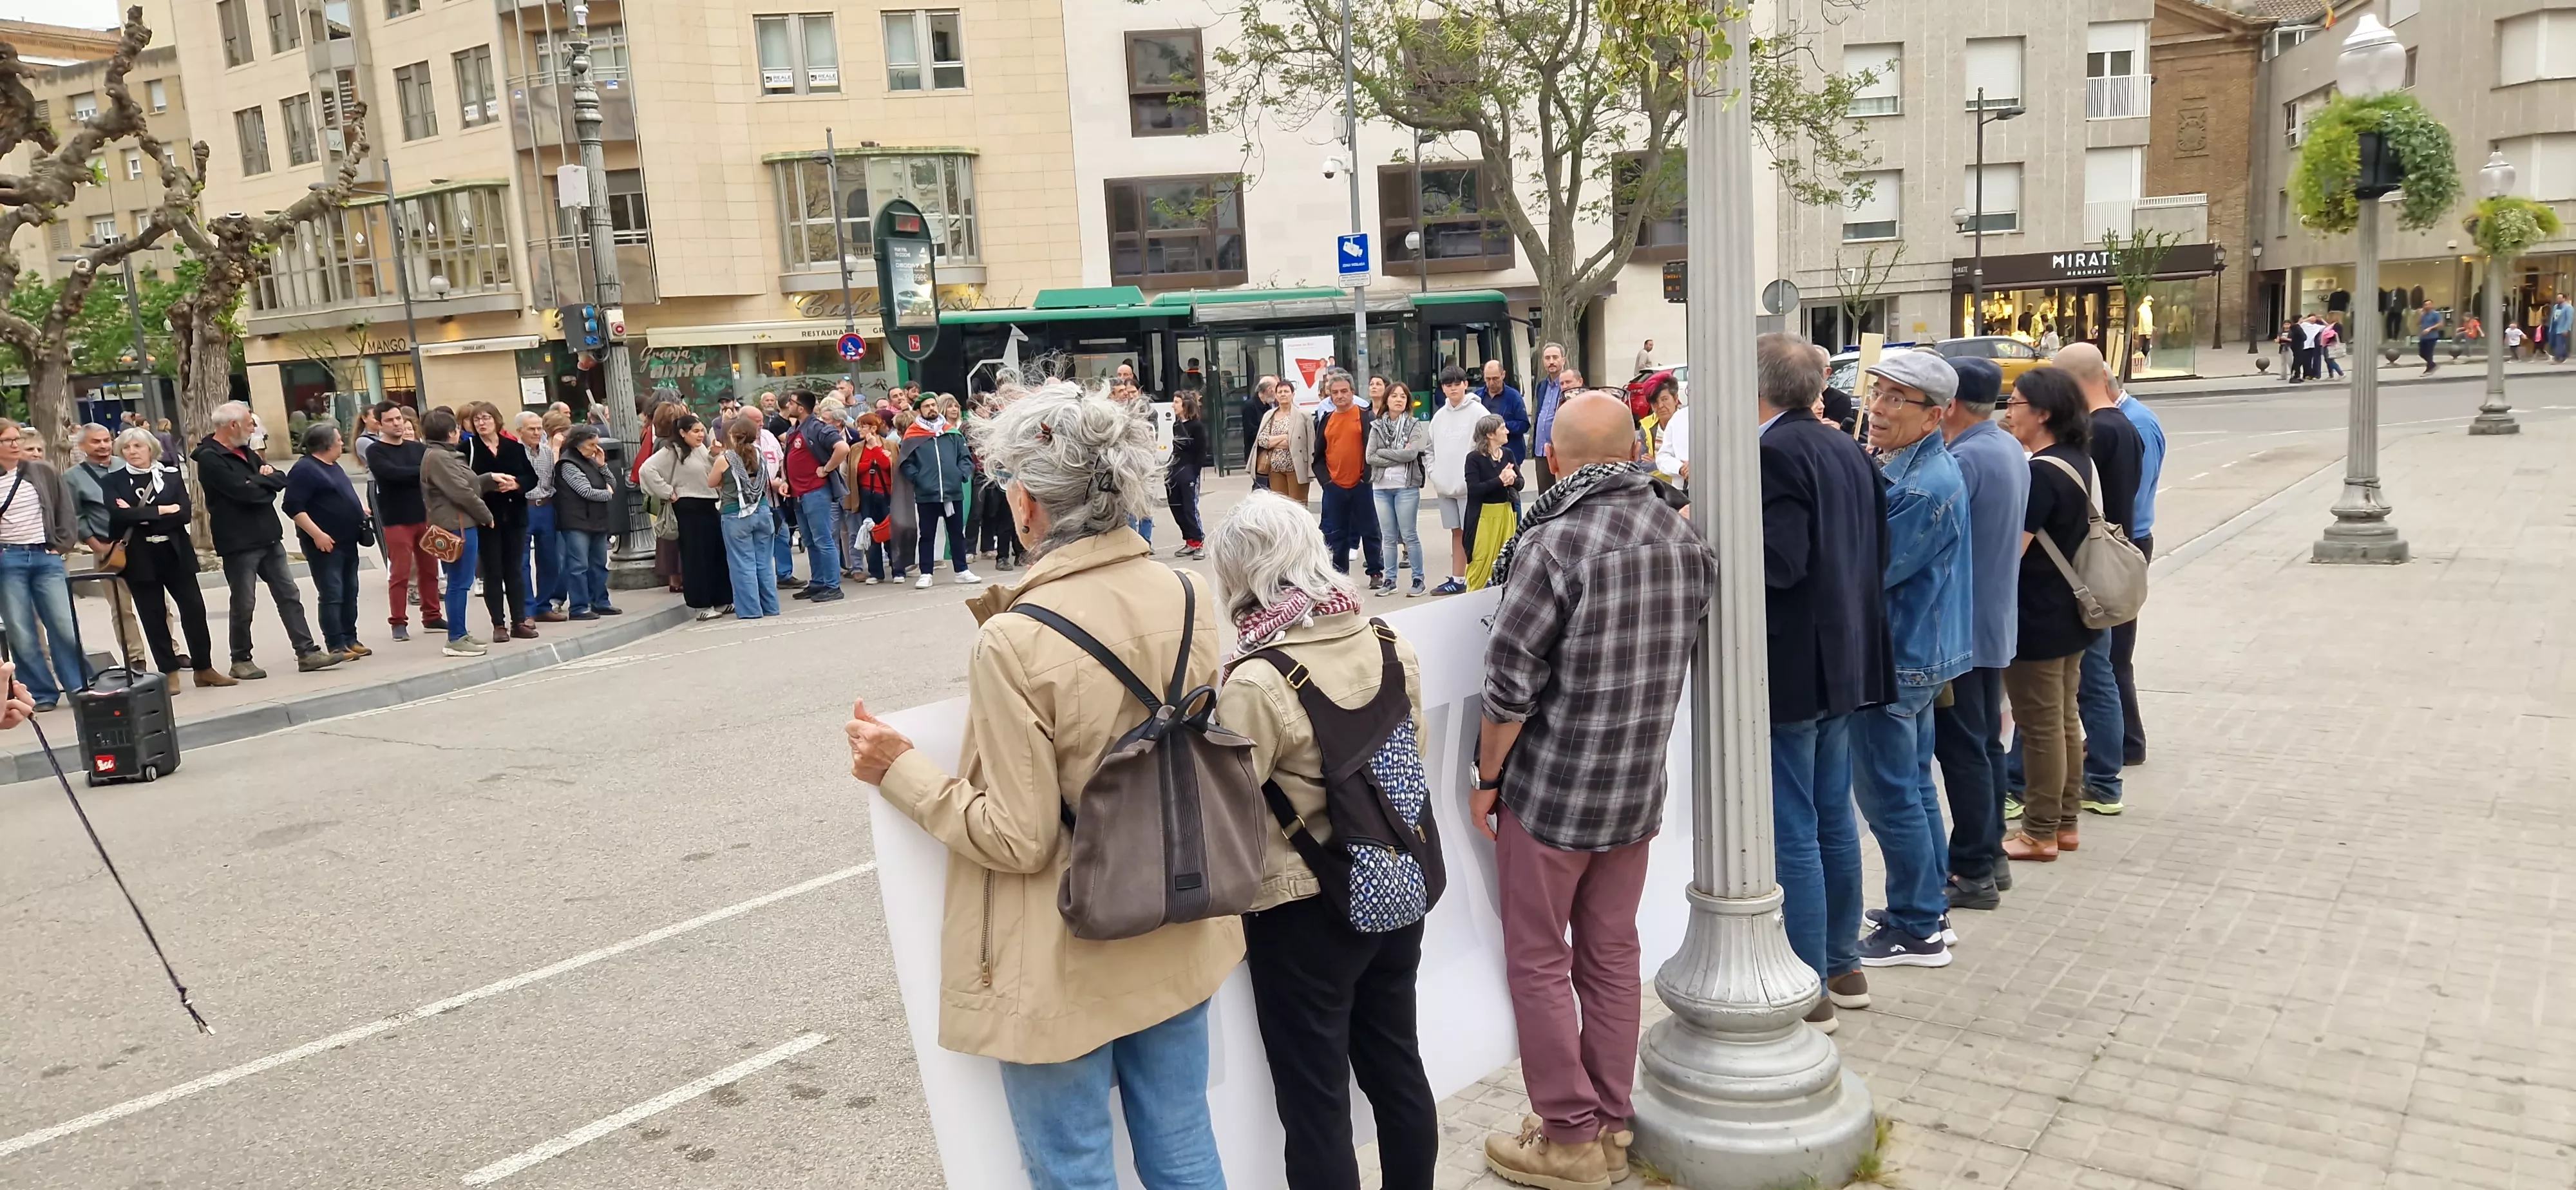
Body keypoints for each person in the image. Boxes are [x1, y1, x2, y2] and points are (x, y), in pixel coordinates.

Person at [842, 380, 1236, 1190]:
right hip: (1178, 908)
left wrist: (900, 772)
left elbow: (1019, 837)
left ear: (1025, 503)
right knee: (1184, 1142)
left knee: (1072, 1168)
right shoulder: (1192, 593)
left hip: (1065, 940)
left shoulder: (1017, 639)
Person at [1472, 391, 1716, 1189]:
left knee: (1539, 959)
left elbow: (1509, 688)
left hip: (1553, 788)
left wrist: (1486, 778)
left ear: (1559, 457)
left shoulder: (1554, 541)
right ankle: (1610, 1121)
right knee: (1612, 956)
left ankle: (1569, 1136)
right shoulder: (1681, 536)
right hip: (1635, 784)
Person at [1208, 491, 1439, 1190]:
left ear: (1242, 576)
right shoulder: (1388, 641)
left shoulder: (1257, 677)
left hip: (1304, 909)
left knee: (1316, 1107)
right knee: (1398, 1067)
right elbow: (1409, 756)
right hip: (1395, 884)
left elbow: (1229, 803)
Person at [1754, 334, 1891, 1033]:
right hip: (1847, 658)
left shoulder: (1773, 452)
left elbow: (1779, 563)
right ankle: (1843, 963)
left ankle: (1806, 977)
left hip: (1795, 665)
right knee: (1833, 815)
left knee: (1795, 823)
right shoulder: (1846, 447)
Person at [1846, 351, 1973, 971]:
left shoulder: (1924, 488)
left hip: (1897, 658)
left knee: (1891, 794)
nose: (1878, 408)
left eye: (1899, 399)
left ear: (1935, 416)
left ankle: (1917, 927)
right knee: (1916, 787)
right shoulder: (1912, 468)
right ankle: (1926, 908)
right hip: (1914, 654)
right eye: (1878, 392)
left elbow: (1870, 571)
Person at [1931, 357, 2023, 911]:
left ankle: (1972, 867)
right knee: (1986, 743)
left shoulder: (1965, 459)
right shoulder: (2005, 446)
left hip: (1964, 626)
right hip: (1992, 621)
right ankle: (1989, 855)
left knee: (1964, 749)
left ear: (1954, 404)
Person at [2000, 367, 2096, 862]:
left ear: (2044, 413)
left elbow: (2012, 551)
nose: (2009, 411)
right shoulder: (2077, 459)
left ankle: (2039, 832)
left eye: (2016, 403)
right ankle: (2066, 821)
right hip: (2071, 610)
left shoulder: (2040, 472)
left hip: (2037, 614)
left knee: (2038, 725)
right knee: (2062, 719)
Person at [2050, 343, 2142, 820]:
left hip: (2086, 565)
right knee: (2098, 673)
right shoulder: (2125, 425)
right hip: (2108, 555)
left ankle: (2102, 776)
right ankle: (2104, 774)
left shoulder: (2097, 432)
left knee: (2087, 677)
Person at [194, 401, 339, 679]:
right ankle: (241, 658)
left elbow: (279, 479)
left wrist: (261, 482)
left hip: (268, 535)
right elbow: (242, 492)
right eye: (250, 423)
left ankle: (307, 651)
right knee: (244, 601)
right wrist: (261, 483)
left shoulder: (246, 452)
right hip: (238, 541)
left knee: (289, 595)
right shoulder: (210, 458)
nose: (254, 428)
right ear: (233, 425)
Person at [102, 428, 226, 688]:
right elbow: (119, 515)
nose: (132, 452)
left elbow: (183, 514)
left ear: (151, 449)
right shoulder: (113, 480)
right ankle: (168, 671)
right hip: (139, 555)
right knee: (153, 614)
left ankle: (204, 668)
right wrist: (162, 510)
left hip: (174, 552)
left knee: (194, 610)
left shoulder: (170, 476)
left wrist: (144, 514)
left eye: (138, 446)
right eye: (126, 447)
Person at [0, 419, 92, 709]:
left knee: (64, 624)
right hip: (8, 559)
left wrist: (61, 545)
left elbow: (65, 509)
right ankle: (40, 692)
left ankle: (79, 685)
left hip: (45, 556)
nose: (16, 445)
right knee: (21, 630)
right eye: (8, 441)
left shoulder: (42, 472)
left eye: (17, 439)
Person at [419, 408, 511, 657]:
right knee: (459, 584)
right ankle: (456, 638)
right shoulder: (439, 457)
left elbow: (465, 484)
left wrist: (489, 478)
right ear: (451, 432)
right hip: (455, 525)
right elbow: (460, 492)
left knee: (462, 582)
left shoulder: (444, 455)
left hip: (461, 523)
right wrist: (486, 515)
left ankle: (460, 633)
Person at [63, 423, 149, 672]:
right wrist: (94, 545)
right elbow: (76, 514)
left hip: (141, 542)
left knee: (159, 602)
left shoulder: (126, 466)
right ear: (82, 446)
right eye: (95, 442)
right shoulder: (73, 477)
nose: (102, 446)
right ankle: (135, 657)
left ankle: (172, 650)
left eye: (105, 440)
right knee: (122, 607)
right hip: (108, 548)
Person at [283, 423, 370, 663]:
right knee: (332, 592)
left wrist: (358, 508)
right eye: (338, 440)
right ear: (326, 444)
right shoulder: (304, 470)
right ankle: (335, 643)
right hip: (325, 543)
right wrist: (317, 534)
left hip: (348, 539)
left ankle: (349, 637)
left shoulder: (334, 466)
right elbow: (293, 507)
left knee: (350, 590)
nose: (342, 443)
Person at [2110, 375, 2163, 768]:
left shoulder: (2133, 423)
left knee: (2113, 655)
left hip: (2126, 541)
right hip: (2129, 539)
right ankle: (2120, 738)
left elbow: (2128, 492)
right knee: (2112, 654)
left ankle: (2128, 742)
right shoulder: (2131, 417)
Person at [638, 413, 733, 621]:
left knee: (717, 553)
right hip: (688, 506)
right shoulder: (671, 452)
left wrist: (712, 455)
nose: (701, 435)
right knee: (696, 557)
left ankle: (722, 598)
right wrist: (667, 492)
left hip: (708, 504)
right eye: (696, 432)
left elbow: (706, 471)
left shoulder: (699, 449)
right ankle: (701, 604)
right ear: (682, 433)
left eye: (702, 431)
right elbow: (646, 470)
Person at [462, 403, 541, 641]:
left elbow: (531, 477)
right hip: (487, 518)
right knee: (493, 572)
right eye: (477, 420)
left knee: (514, 571)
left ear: (497, 420)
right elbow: (464, 481)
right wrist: (488, 484)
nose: (481, 423)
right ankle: (499, 625)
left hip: (515, 516)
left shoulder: (513, 447)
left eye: (486, 418)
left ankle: (519, 621)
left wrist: (516, 484)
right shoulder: (468, 448)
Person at [366, 406, 439, 641]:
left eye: (399, 419)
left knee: (430, 570)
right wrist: (421, 472)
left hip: (424, 516)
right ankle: (398, 622)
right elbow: (391, 475)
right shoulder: (376, 451)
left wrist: (419, 473)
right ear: (380, 424)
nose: (397, 424)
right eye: (390, 420)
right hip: (396, 519)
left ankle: (432, 616)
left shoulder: (418, 448)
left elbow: (431, 473)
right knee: (400, 573)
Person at [1311, 368, 1383, 585]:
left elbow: (1374, 450)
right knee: (1336, 533)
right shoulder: (1326, 420)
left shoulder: (1365, 416)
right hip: (1335, 487)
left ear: (1353, 392)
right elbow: (1319, 455)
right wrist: (1327, 482)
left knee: (1370, 529)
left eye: (1344, 391)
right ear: (1330, 396)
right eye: (1335, 392)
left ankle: (1375, 572)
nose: (1340, 396)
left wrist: (1366, 477)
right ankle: (1339, 576)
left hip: (1361, 484)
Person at [899, 397, 979, 588]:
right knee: (927, 535)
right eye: (927, 406)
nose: (931, 409)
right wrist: (919, 479)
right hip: (927, 494)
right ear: (919, 410)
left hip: (952, 492)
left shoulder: (951, 433)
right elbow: (906, 463)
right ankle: (926, 573)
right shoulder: (913, 435)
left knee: (956, 533)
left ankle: (962, 570)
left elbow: (965, 458)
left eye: (934, 405)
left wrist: (961, 474)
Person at [781, 390, 848, 604]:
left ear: (801, 408)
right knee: (810, 541)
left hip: (815, 492)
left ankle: (832, 585)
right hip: (799, 494)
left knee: (823, 539)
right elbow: (789, 458)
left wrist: (827, 469)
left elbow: (843, 448)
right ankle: (818, 582)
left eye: (791, 402)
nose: (788, 405)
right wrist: (785, 480)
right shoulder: (795, 430)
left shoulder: (818, 427)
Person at [1424, 365, 1486, 596]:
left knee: (1475, 534)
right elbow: (1429, 450)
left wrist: (1477, 477)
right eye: (1448, 385)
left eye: (1457, 384)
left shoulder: (1479, 413)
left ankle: (1478, 579)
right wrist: (1434, 474)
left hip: (1470, 488)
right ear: (1442, 388)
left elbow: (1488, 445)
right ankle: (1458, 579)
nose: (1453, 388)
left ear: (1465, 385)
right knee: (1456, 532)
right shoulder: (1439, 417)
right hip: (1446, 487)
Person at [1365, 379, 1430, 596]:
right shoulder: (1377, 425)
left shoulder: (1414, 425)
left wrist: (1384, 453)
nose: (1399, 400)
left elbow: (1411, 454)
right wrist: (1396, 456)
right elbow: (1370, 456)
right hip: (1381, 488)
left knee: (1409, 535)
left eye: (1403, 396)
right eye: (1394, 396)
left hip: (1406, 487)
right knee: (1388, 536)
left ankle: (1418, 580)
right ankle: (1390, 580)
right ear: (1387, 400)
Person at [714, 416, 781, 621]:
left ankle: (751, 610)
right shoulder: (760, 454)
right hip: (762, 510)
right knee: (764, 562)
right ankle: (771, 606)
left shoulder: (726, 459)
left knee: (743, 563)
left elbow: (712, 482)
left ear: (733, 436)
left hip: (736, 513)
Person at [551, 425, 621, 619]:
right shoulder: (568, 464)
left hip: (595, 520)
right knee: (578, 566)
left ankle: (600, 602)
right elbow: (586, 491)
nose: (595, 449)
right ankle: (579, 607)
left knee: (598, 564)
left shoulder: (590, 461)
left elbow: (613, 483)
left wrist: (602, 465)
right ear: (578, 444)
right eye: (591, 445)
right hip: (576, 521)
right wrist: (607, 494)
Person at [522, 410, 571, 623]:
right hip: (524, 507)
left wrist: (556, 449)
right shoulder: (515, 452)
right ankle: (526, 610)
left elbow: (557, 475)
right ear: (520, 431)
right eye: (531, 429)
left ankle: (543, 605)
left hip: (547, 507)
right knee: (522, 562)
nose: (536, 432)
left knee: (550, 560)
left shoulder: (547, 451)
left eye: (538, 428)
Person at [1462, 415, 1518, 590]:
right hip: (1483, 516)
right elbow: (1474, 490)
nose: (1507, 431)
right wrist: (1500, 480)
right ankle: (1472, 599)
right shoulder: (1474, 458)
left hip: (1506, 513)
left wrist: (1513, 480)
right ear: (1490, 434)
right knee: (1481, 560)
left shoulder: (1508, 454)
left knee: (1507, 560)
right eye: (1503, 428)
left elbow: (1521, 483)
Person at [1255, 379, 1316, 504]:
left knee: (1298, 505)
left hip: (1297, 468)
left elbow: (1308, 442)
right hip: (1275, 469)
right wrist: (1284, 437)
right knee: (1280, 507)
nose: (1283, 394)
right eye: (1280, 392)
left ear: (1293, 394)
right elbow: (1263, 440)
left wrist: (1275, 441)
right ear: (1276, 395)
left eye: (1286, 391)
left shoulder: (1304, 415)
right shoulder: (1270, 415)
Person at [1526, 343, 1567, 489]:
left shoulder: (1569, 385)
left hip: (1562, 451)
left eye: (1555, 358)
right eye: (1547, 358)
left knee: (1564, 495)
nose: (1551, 361)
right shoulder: (1541, 386)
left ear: (1563, 360)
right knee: (1544, 497)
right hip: (1542, 451)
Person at [1480, 360, 1529, 466]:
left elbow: (1524, 425)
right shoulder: (1478, 396)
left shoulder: (1514, 397)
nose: (1491, 383)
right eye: (1488, 379)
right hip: (1484, 455)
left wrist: (1500, 427)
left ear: (1503, 375)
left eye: (1495, 379)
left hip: (1509, 455)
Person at [1242, 376, 1276, 471]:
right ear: (1269, 390)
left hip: (1269, 452)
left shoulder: (1268, 406)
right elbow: (1251, 432)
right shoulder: (1250, 406)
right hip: (1257, 453)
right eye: (1275, 389)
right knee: (1261, 484)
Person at [2419, 299, 2446, 373]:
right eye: (2426, 305)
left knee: (2429, 353)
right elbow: (2418, 323)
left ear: (2432, 305)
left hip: (2432, 336)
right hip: (2423, 336)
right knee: (2422, 353)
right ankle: (2432, 364)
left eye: (2429, 304)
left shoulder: (2435, 314)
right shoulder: (2423, 314)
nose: (2427, 306)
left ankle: (2429, 369)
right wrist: (2420, 315)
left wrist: (2430, 329)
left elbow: (2441, 324)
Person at [2550, 295, 2573, 363]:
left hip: (2562, 328)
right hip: (2555, 327)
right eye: (2558, 298)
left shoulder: (2569, 308)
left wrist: (2566, 329)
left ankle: (2558, 358)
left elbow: (2569, 319)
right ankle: (2564, 355)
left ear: (2564, 299)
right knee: (2554, 342)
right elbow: (2553, 317)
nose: (2558, 299)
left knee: (2559, 343)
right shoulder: (2556, 307)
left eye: (2560, 298)